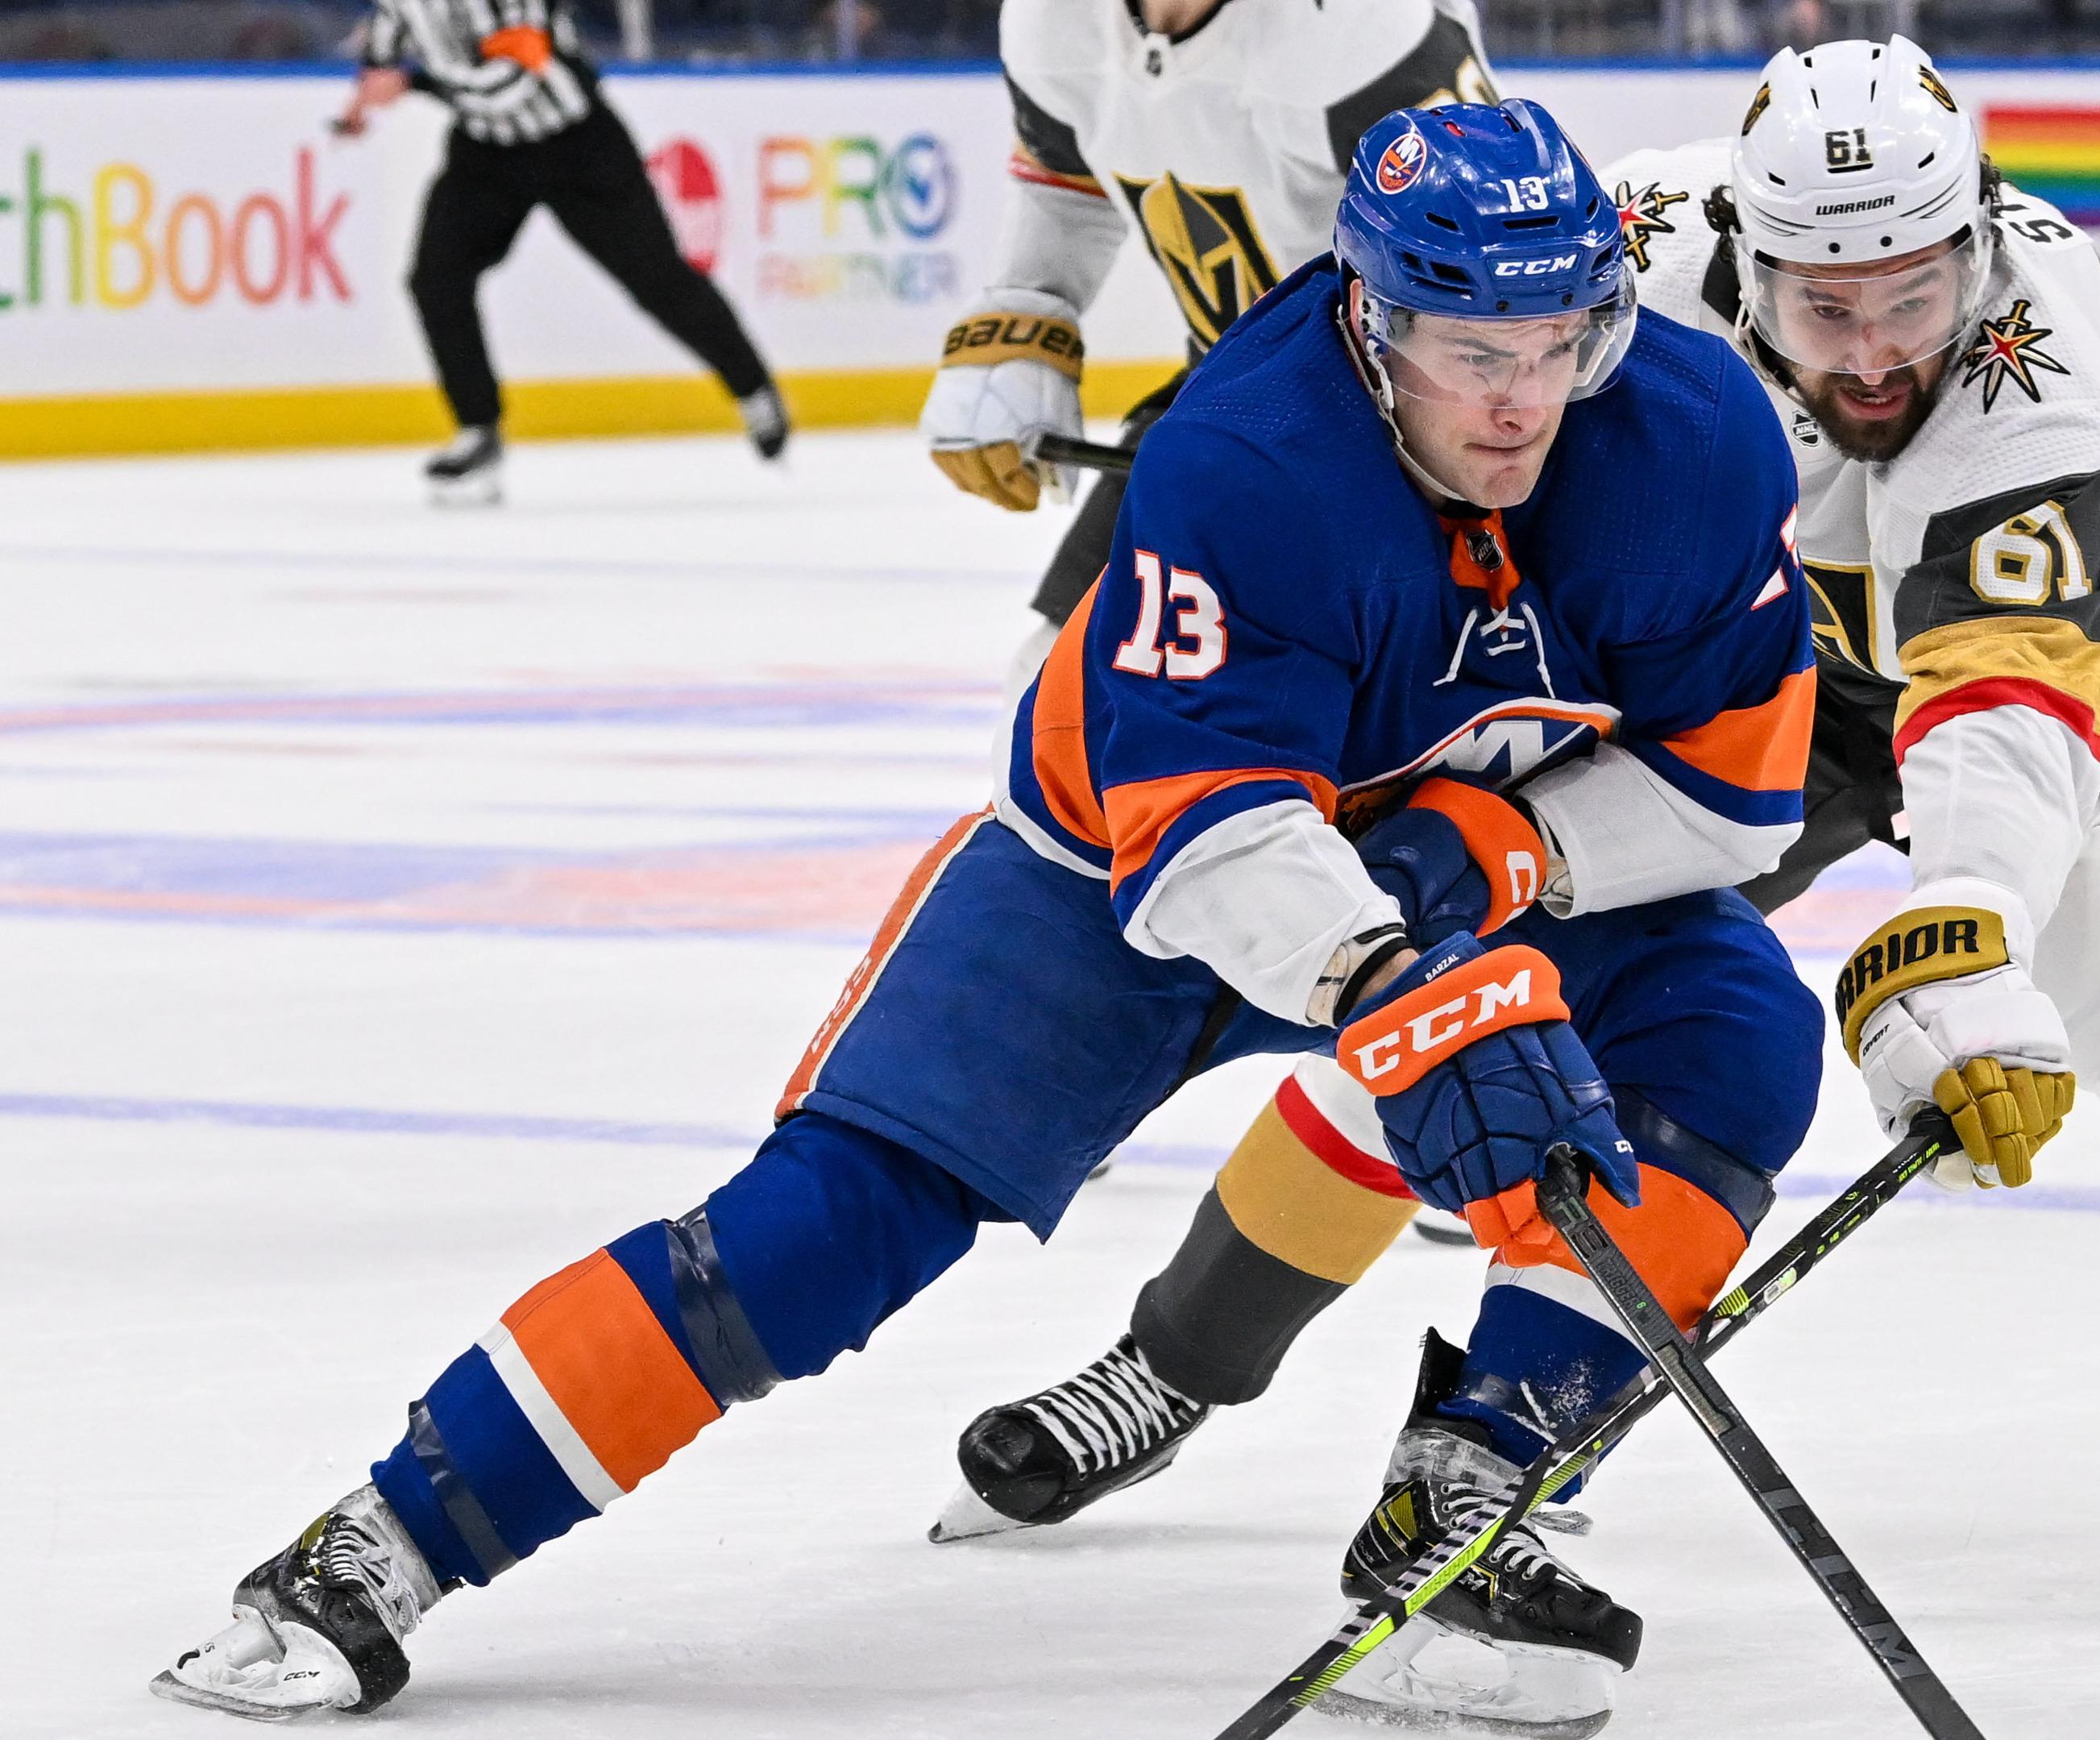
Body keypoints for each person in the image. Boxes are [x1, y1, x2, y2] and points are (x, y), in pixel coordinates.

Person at [148, 100, 1816, 1733]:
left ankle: (1459, 1502)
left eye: (1557, 343)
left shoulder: (1688, 435)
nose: (1523, 400)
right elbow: (1211, 840)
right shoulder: (1248, 455)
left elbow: (1737, 789)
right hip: (1115, 875)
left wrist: (1482, 862)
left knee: (1732, 1033)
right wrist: (1403, 972)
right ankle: (386, 1536)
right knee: (818, 1233)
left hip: (1451, 860)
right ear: (1371, 322)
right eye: (1471, 349)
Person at [936, 37, 2100, 1675]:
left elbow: (2001, 693)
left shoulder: (2037, 350)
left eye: (1917, 296)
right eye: (1827, 308)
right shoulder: (1619, 247)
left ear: (1980, 235)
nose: (1878, 352)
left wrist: (1964, 919)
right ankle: (1175, 1359)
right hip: (1767, 647)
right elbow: (1368, 393)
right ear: (1737, 264)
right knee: (1493, 974)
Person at [921, 0, 1496, 659]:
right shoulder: (1052, 18)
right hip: (1227, 389)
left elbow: (1491, 265)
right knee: (1054, 678)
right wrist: (1030, 304)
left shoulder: (1357, 24)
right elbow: (1066, 170)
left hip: (1403, 424)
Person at [334, 0, 786, 506]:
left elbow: (517, 77)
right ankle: (478, 430)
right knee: (436, 279)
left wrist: (415, 86)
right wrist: (360, 102)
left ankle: (752, 387)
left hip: (578, 148)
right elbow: (387, 39)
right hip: (487, 154)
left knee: (656, 279)